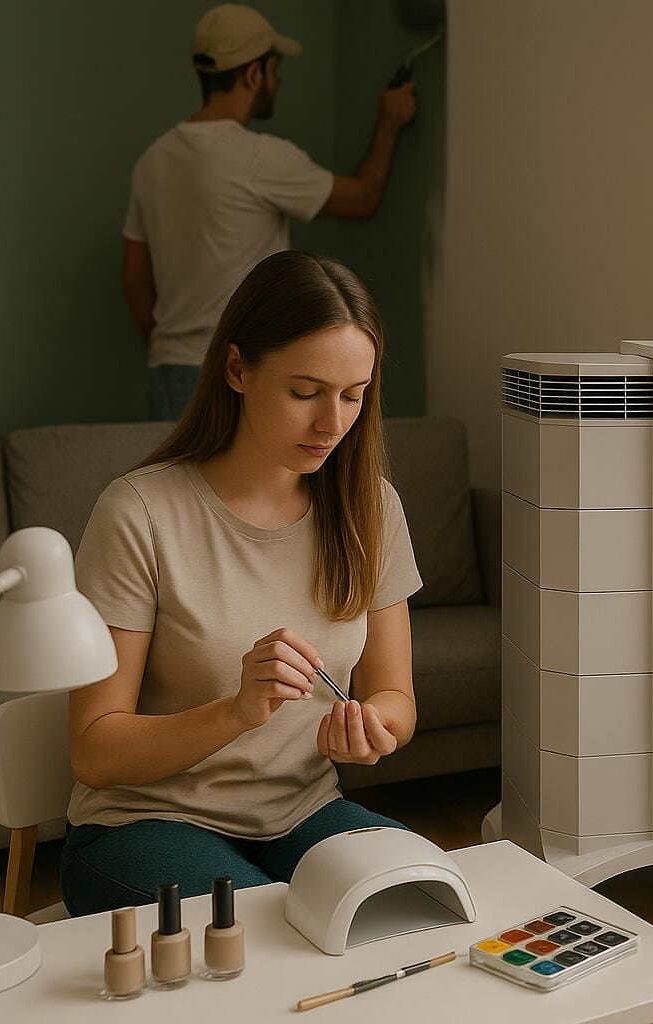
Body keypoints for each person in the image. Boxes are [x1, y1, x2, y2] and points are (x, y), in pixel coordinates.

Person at [61, 251, 423, 916]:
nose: (331, 424)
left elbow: (396, 695)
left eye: (352, 395)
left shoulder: (372, 508)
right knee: (266, 938)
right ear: (237, 369)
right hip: (143, 823)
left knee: (417, 902)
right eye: (305, 392)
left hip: (304, 812)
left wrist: (376, 727)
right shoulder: (139, 512)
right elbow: (94, 749)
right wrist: (235, 711)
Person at [122, 3, 419, 420]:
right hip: (236, 370)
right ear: (252, 74)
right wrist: (390, 121)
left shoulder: (152, 161)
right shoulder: (258, 158)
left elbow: (134, 279)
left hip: (167, 370)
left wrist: (169, 344)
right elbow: (362, 198)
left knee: (170, 488)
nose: (276, 82)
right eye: (274, 71)